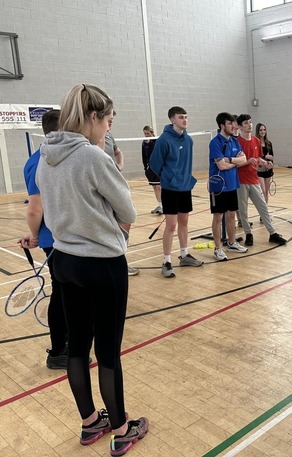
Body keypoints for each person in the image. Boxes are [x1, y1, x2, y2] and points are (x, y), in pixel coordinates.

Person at [36, 83, 148, 454]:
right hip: (101, 264)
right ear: (93, 117)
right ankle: (121, 428)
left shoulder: (44, 153)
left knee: (78, 348)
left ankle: (89, 423)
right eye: (109, 120)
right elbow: (128, 211)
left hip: (64, 262)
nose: (109, 127)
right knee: (109, 353)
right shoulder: (92, 157)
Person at [19, 109, 68, 370]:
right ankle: (59, 349)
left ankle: (66, 341)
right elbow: (34, 207)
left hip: (58, 237)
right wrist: (36, 234)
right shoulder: (45, 160)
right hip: (56, 240)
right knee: (61, 292)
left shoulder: (39, 158)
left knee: (65, 290)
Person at [150, 106, 204, 278]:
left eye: (186, 117)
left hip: (185, 187)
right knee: (171, 226)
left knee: (184, 223)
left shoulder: (188, 140)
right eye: (181, 117)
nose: (185, 120)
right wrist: (169, 178)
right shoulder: (164, 140)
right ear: (173, 120)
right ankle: (166, 261)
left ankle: (184, 254)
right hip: (170, 189)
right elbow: (155, 164)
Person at [236, 114, 287, 246]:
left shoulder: (256, 141)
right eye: (246, 123)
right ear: (240, 126)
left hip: (254, 179)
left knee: (263, 207)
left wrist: (265, 163)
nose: (249, 125)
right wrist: (247, 161)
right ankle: (248, 233)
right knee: (243, 210)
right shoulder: (236, 142)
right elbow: (234, 163)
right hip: (241, 180)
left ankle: (272, 233)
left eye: (250, 122)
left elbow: (258, 158)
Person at [101, 113, 139, 276]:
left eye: (111, 121)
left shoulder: (109, 137)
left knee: (125, 222)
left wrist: (120, 164)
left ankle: (121, 261)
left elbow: (118, 152)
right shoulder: (88, 144)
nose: (110, 125)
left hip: (114, 186)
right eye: (108, 121)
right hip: (102, 190)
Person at [209, 112, 249, 261]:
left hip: (232, 184)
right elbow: (221, 165)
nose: (234, 126)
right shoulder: (215, 143)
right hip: (218, 187)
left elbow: (243, 159)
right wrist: (235, 162)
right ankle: (218, 248)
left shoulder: (234, 141)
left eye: (234, 123)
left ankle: (232, 243)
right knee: (218, 217)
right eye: (230, 123)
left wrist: (231, 159)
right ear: (222, 126)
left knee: (231, 215)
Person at [141, 125, 162, 215]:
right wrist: (145, 167)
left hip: (157, 167)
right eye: (145, 134)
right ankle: (159, 204)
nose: (146, 135)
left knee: (159, 187)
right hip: (150, 169)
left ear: (152, 133)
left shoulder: (157, 141)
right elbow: (144, 156)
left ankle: (163, 206)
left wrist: (150, 143)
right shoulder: (144, 143)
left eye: (148, 133)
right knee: (154, 187)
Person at [255, 123, 273, 204]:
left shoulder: (268, 143)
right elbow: (255, 156)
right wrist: (264, 157)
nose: (263, 131)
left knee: (266, 191)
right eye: (261, 130)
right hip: (259, 170)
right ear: (258, 131)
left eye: (264, 130)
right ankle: (262, 211)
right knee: (263, 190)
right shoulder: (255, 142)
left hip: (268, 170)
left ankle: (265, 211)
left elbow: (272, 157)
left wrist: (270, 159)